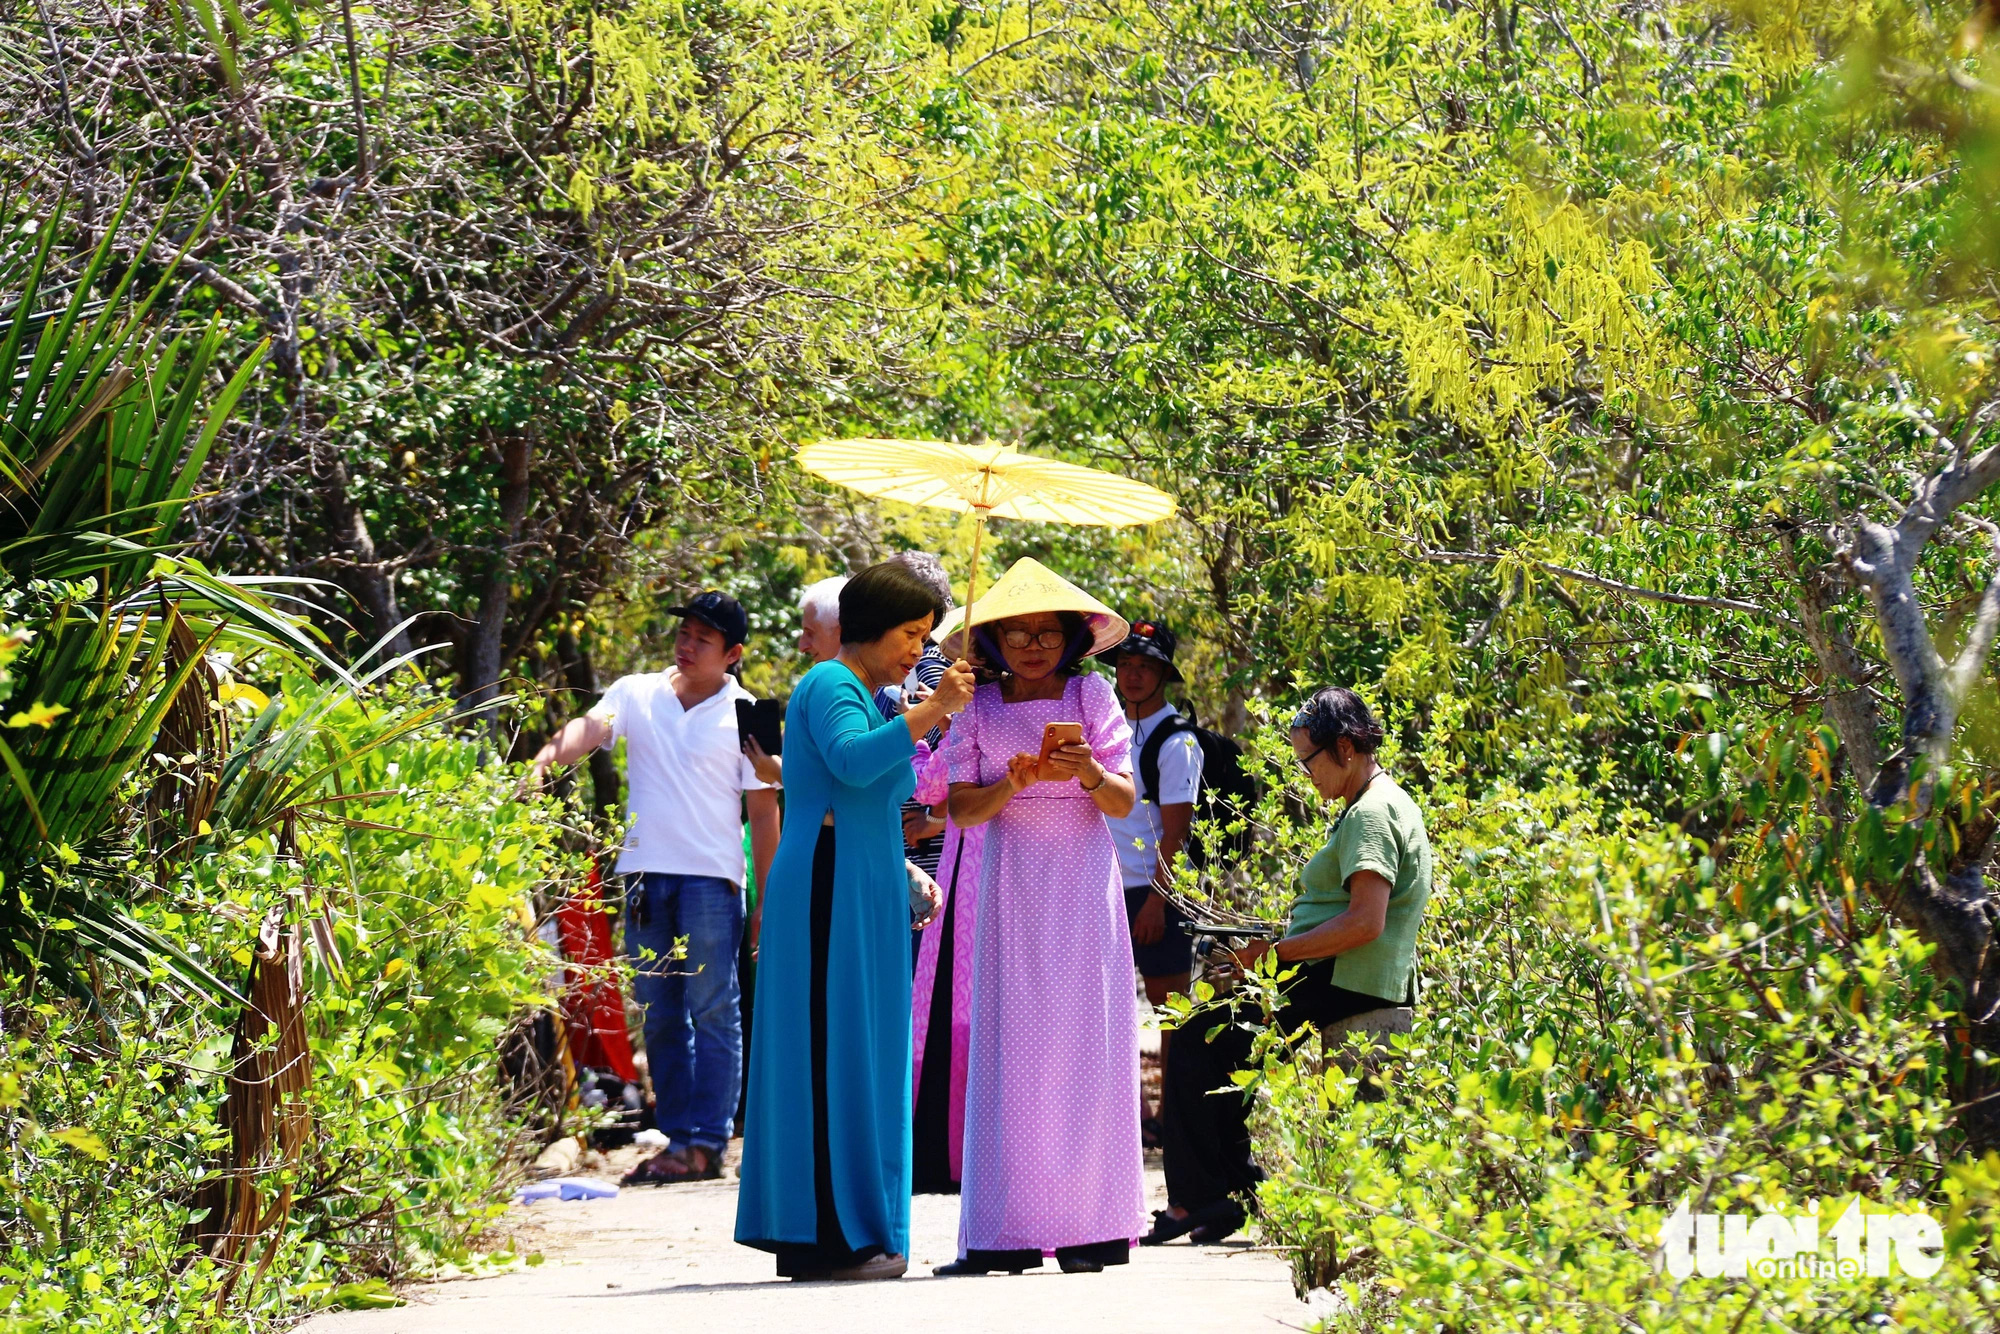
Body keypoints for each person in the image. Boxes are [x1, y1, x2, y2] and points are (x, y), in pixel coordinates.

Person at [735, 561, 976, 1281]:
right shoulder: (830, 683)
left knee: (864, 1050)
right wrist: (929, 713)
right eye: (910, 634)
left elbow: (880, 788)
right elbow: (850, 760)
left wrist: (932, 718)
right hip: (828, 883)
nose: (918, 649)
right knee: (832, 1049)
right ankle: (831, 1239)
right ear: (869, 626)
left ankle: (856, 1230)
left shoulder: (872, 695)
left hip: (860, 880)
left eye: (926, 636)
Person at [1148, 687, 1432, 1245]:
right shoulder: (1376, 801)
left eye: (1309, 760)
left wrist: (1274, 955)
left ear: (1345, 748)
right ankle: (1226, 1192)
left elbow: (1365, 922)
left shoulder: (1372, 813)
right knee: (1216, 1041)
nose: (1306, 775)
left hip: (1347, 977)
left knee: (1197, 1035)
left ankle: (1202, 1199)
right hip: (1341, 972)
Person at [528, 591, 780, 1186]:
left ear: (733, 654)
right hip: (643, 877)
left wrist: (766, 901)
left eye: (703, 639)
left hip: (713, 880)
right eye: (684, 633)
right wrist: (542, 761)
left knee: (714, 1009)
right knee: (661, 1013)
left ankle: (707, 1143)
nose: (686, 645)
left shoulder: (752, 713)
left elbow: (764, 812)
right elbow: (588, 728)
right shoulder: (635, 691)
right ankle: (678, 1138)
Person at [938, 557, 1143, 1277]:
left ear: (1071, 637)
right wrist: (1013, 782)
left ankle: (1093, 1229)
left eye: (1047, 632)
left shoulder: (1092, 694)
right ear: (993, 641)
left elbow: (1123, 802)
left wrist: (1087, 771)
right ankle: (1008, 1232)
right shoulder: (979, 706)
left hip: (1083, 883)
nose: (1032, 646)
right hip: (1011, 883)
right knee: (1010, 1047)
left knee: (1087, 1042)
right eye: (1017, 633)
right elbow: (961, 810)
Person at [1101, 620, 1202, 1146]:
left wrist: (1158, 902)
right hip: (1106, 888)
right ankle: (1133, 1117)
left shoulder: (1176, 740)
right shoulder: (1109, 730)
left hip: (1156, 892)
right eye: (1125, 664)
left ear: (1164, 675)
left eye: (1145, 666)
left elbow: (1178, 832)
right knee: (1108, 1008)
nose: (1133, 675)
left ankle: (1175, 1118)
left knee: (1171, 1013)